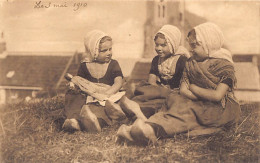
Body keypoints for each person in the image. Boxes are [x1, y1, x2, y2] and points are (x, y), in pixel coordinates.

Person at [116, 22, 241, 145]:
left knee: (188, 111)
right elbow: (182, 90)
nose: (191, 50)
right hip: (197, 100)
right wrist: (195, 96)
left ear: (209, 44)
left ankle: (151, 129)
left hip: (220, 107)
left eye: (195, 46)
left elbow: (217, 96)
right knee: (174, 100)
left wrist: (193, 88)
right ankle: (144, 126)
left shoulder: (225, 66)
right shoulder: (191, 62)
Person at [62, 30, 125, 132]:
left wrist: (108, 93)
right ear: (93, 51)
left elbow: (118, 82)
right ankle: (74, 120)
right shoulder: (85, 65)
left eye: (110, 49)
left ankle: (95, 122)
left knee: (104, 107)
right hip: (90, 94)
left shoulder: (113, 64)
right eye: (104, 51)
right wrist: (73, 85)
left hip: (107, 94)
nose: (109, 53)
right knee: (74, 97)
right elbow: (80, 81)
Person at [122, 25, 189, 119]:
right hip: (159, 90)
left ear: (173, 44)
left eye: (163, 45)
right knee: (144, 90)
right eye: (157, 45)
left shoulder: (182, 60)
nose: (159, 48)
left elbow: (184, 84)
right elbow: (151, 81)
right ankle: (130, 106)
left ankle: (138, 109)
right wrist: (158, 89)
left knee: (160, 100)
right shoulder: (156, 60)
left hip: (175, 93)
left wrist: (164, 91)